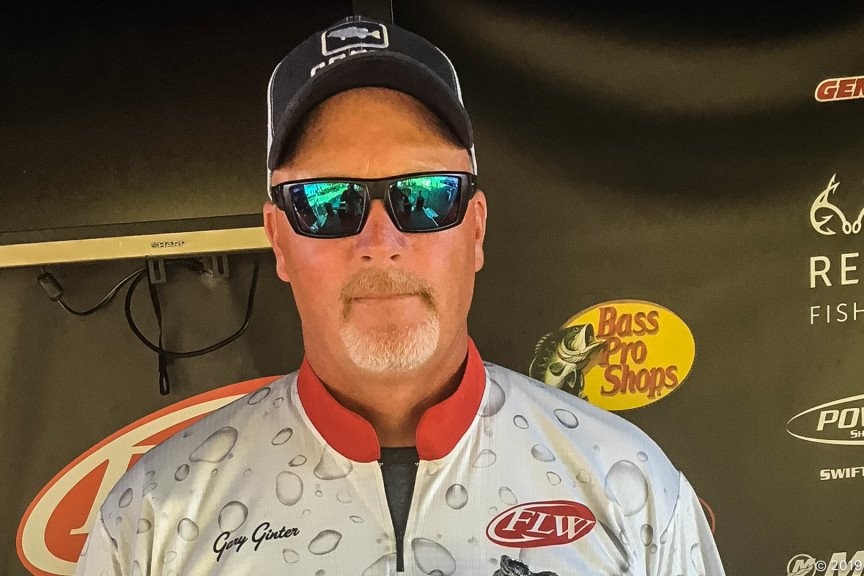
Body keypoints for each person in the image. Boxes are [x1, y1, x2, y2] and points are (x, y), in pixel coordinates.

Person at [74, 15, 726, 576]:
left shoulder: (631, 486)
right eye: (327, 201)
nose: (381, 241)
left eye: (427, 194)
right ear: (279, 241)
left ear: (475, 230)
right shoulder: (151, 517)